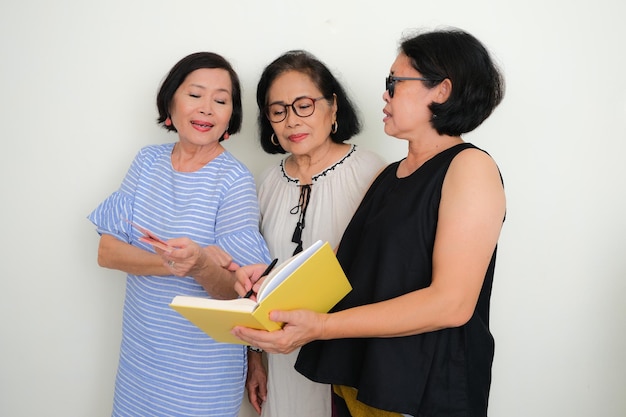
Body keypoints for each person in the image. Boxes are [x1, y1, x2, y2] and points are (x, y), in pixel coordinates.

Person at [232, 28, 506, 417]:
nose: (385, 94)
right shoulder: (390, 175)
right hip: (365, 383)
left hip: (425, 388)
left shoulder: (470, 167)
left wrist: (322, 328)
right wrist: (268, 280)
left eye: (395, 82)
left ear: (441, 91)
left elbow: (452, 304)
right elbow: (341, 273)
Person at [87, 52, 270, 417]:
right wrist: (177, 263)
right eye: (195, 94)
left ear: (229, 118)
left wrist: (200, 264)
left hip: (203, 372)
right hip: (141, 361)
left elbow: (239, 292)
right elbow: (107, 252)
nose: (207, 108)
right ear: (171, 101)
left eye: (220, 101)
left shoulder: (233, 180)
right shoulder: (147, 162)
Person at [245, 50, 387, 416]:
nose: (292, 120)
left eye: (304, 105)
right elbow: (255, 281)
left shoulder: (371, 172)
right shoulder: (266, 182)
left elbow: (385, 274)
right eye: (278, 110)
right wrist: (255, 359)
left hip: (345, 354)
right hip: (280, 359)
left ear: (333, 106)